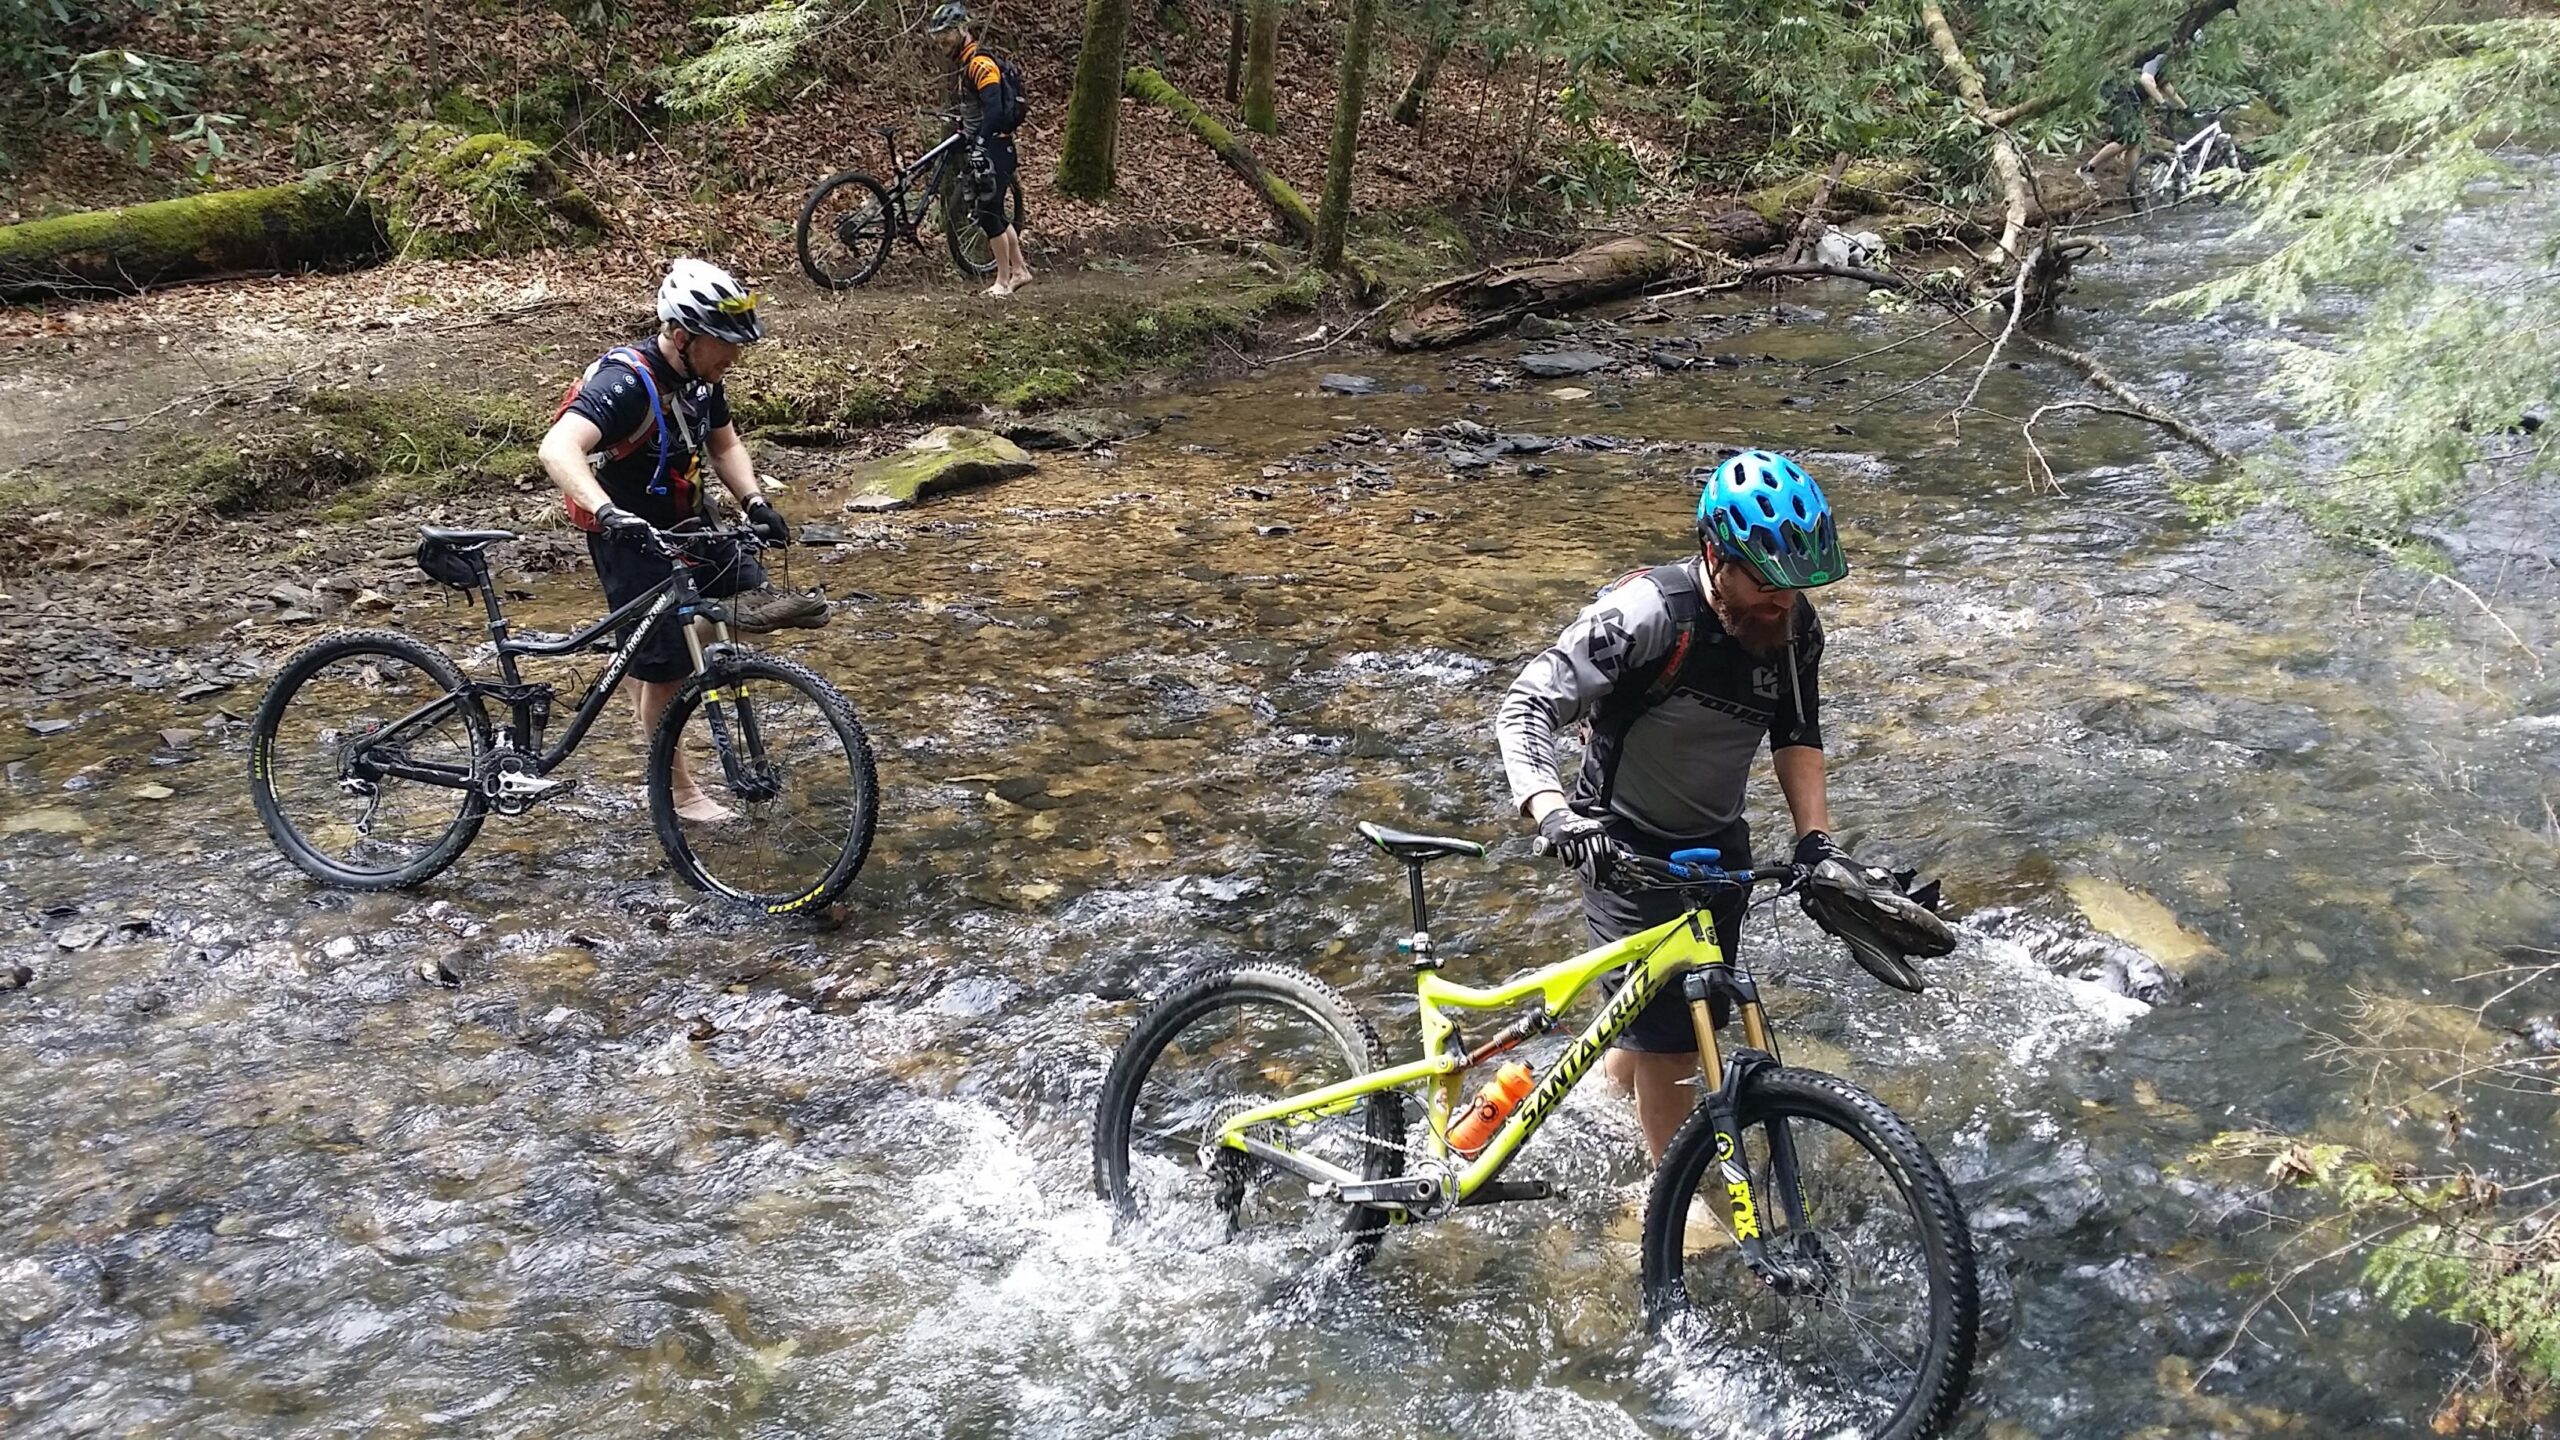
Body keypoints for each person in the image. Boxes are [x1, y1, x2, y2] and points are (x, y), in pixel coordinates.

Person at [1494, 450, 1852, 1163]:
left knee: (1689, 1014)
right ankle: (1675, 1199)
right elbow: (1527, 704)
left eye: (1798, 584)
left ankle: (1600, 1104)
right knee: (1675, 1043)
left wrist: (1816, 840)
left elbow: (1797, 735)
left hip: (1718, 846)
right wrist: (1552, 811)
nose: (1784, 600)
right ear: (1716, 554)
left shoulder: (1793, 628)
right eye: (1767, 581)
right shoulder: (1647, 616)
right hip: (1622, 845)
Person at [536, 259, 804, 824]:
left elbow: (723, 445)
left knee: (753, 601)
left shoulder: (703, 380)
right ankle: (677, 790)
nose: (735, 357)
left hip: (687, 519)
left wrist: (755, 502)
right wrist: (607, 512)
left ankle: (646, 665)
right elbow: (558, 449)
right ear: (682, 337)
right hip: (627, 534)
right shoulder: (625, 384)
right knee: (667, 664)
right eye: (724, 344)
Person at [928, 2, 1034, 298]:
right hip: (988, 146)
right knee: (996, 214)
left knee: (989, 216)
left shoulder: (979, 64)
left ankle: (1002, 281)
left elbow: (996, 111)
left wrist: (980, 145)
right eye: (938, 36)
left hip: (995, 148)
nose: (941, 41)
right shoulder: (965, 62)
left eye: (946, 33)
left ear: (962, 30)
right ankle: (1020, 270)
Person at [2081, 47, 2191, 179]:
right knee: (2126, 140)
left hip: (2130, 98)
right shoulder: (2161, 57)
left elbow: (2164, 85)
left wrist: (2186, 108)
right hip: (2121, 95)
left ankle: (2132, 182)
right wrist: (2162, 103)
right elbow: (2145, 80)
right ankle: (2086, 169)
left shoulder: (2165, 62)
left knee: (2136, 142)